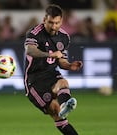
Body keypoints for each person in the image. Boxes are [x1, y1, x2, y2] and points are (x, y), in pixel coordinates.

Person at [24, 4, 83, 135]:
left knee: (63, 83)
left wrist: (69, 66)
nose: (53, 26)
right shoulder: (34, 33)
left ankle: (64, 106)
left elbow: (61, 61)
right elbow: (30, 50)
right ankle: (62, 108)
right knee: (56, 113)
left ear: (61, 21)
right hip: (34, 80)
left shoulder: (64, 37)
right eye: (50, 22)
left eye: (57, 23)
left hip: (51, 73)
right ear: (44, 19)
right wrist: (49, 54)